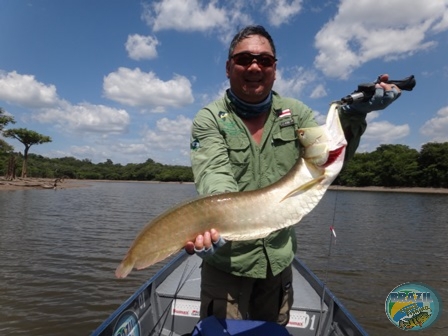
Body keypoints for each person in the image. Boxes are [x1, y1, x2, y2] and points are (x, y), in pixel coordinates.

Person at [186, 25, 401, 325]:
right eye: (244, 58)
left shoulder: (296, 113)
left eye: (265, 60)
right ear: (228, 66)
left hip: (278, 262)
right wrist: (220, 220)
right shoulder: (209, 118)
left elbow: (326, 159)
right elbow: (214, 174)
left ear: (275, 69)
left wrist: (353, 116)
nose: (254, 66)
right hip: (227, 264)